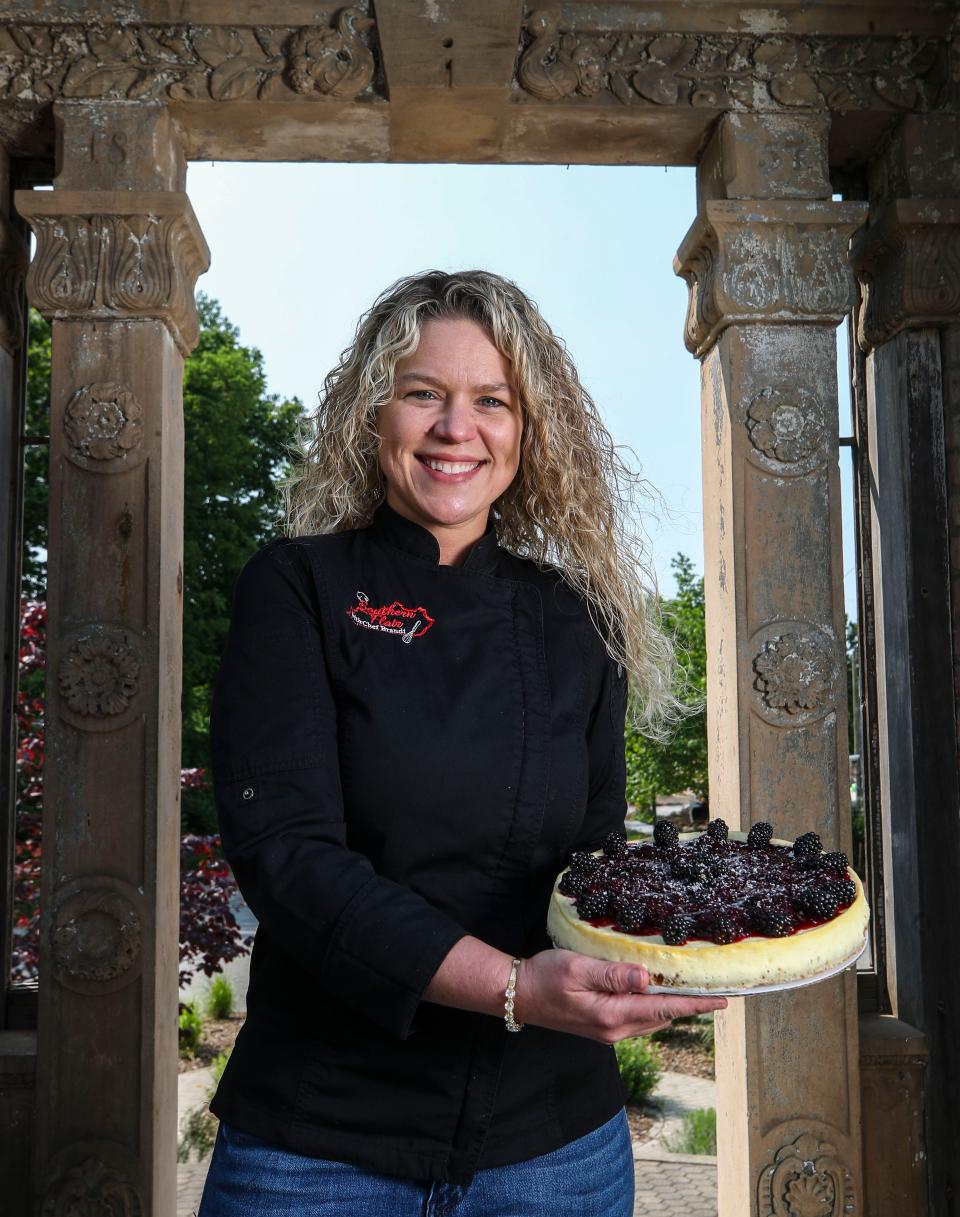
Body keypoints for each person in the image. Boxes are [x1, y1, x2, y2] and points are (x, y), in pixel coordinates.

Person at [197, 270, 726, 1217]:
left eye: (492, 400)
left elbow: (594, 867)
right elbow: (290, 858)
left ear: (529, 431)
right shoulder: (297, 589)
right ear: (373, 416)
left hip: (554, 1143)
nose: (456, 428)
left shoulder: (579, 623)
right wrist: (516, 984)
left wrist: (705, 932)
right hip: (320, 1139)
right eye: (423, 394)